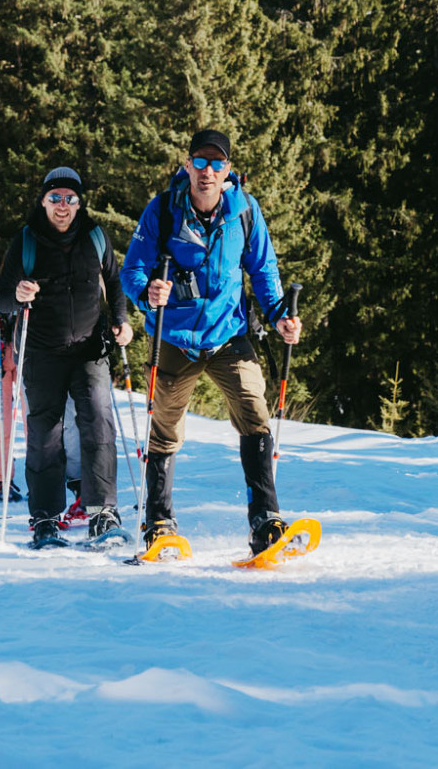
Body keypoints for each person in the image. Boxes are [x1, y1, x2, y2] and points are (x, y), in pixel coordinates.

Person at [120, 129, 302, 559]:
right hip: (175, 337)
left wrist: (280, 318)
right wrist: (147, 292)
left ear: (228, 171)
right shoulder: (163, 210)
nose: (207, 171)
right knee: (164, 428)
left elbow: (264, 271)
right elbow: (132, 270)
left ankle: (265, 520)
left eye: (216, 164)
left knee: (255, 413)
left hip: (227, 334)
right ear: (187, 166)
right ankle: (159, 521)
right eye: (199, 162)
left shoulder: (245, 211)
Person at [0, 165, 133, 548]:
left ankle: (102, 512)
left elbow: (115, 283)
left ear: (79, 203)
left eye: (70, 199)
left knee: (98, 422)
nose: (63, 206)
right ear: (44, 201)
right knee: (45, 434)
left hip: (90, 348)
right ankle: (46, 520)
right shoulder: (26, 241)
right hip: (41, 351)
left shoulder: (96, 237)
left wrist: (120, 320)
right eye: (55, 198)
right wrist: (16, 295)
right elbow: (0, 299)